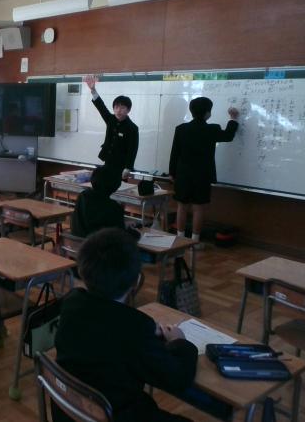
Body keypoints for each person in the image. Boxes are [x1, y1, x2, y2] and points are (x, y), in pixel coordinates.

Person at [54, 228, 198, 422]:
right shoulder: (136, 329)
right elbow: (179, 379)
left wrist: (147, 334)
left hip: (70, 412)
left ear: (82, 270)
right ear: (136, 281)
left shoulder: (71, 302)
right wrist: (179, 341)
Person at [169, 98, 239, 245]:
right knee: (198, 208)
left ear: (192, 111)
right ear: (208, 113)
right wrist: (233, 119)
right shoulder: (212, 129)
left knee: (182, 206)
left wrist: (172, 173)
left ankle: (180, 238)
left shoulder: (181, 128)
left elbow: (174, 153)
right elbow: (228, 136)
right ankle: (195, 241)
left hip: (183, 174)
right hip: (202, 175)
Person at [83, 75, 139, 176]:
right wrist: (93, 90)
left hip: (121, 166)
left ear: (128, 110)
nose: (118, 110)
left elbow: (132, 150)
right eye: (116, 107)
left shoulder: (132, 128)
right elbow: (101, 107)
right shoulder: (111, 120)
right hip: (108, 161)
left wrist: (128, 167)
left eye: (122, 108)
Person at [70, 165, 125, 237]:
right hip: (98, 243)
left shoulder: (82, 196)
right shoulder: (114, 207)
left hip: (77, 242)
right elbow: (120, 235)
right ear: (115, 186)